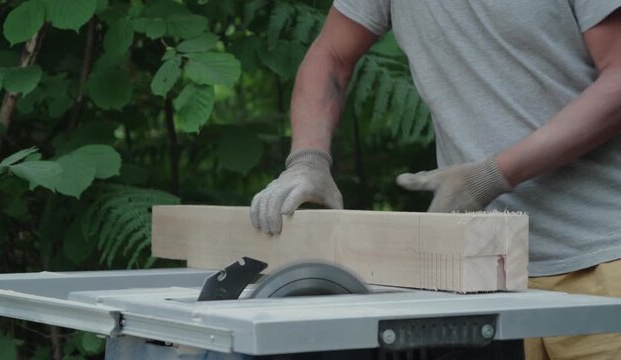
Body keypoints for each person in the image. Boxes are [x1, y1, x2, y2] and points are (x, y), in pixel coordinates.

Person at [249, 1, 621, 359]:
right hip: (486, 271)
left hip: (602, 260)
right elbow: (330, 54)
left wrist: (492, 176)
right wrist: (308, 160)